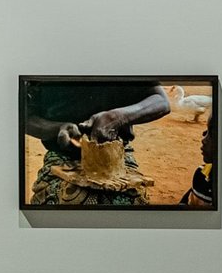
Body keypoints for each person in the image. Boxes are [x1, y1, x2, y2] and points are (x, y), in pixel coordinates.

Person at [23, 81, 170, 205]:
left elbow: (161, 101)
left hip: (117, 155)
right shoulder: (46, 66)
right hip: (62, 156)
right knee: (68, 201)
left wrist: (117, 117)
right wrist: (56, 129)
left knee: (131, 202)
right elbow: (25, 116)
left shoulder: (123, 61)